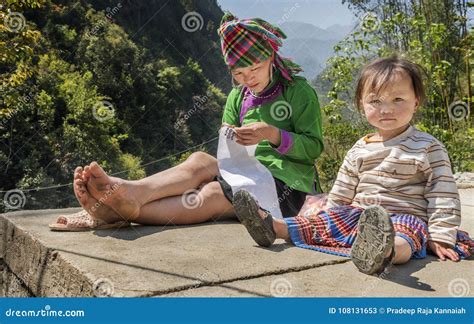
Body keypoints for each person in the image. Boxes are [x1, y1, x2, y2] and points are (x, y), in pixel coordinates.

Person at [49, 12, 324, 231]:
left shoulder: (298, 92)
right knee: (199, 161)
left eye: (256, 69)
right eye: (239, 73)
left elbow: (313, 148)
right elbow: (227, 139)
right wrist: (229, 136)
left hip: (286, 188)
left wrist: (273, 134)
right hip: (244, 171)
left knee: (214, 192)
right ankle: (131, 193)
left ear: (271, 58)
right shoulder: (238, 97)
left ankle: (124, 209)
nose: (248, 79)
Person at [233, 56, 473, 275]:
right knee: (325, 221)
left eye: (398, 99)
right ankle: (273, 226)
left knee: (405, 236)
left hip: (406, 217)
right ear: (362, 104)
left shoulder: (428, 146)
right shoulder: (360, 148)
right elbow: (343, 188)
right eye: (375, 101)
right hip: (359, 215)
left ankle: (385, 251)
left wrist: (441, 235)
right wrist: (330, 213)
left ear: (416, 102)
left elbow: (443, 194)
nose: (386, 109)